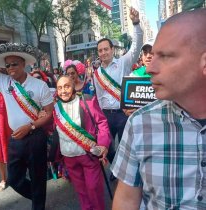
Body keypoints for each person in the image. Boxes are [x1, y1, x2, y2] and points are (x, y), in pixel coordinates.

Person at [111, 9, 206, 210]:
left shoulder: (122, 63)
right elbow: (126, 200)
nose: (149, 68)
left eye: (165, 56)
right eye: (152, 55)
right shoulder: (139, 124)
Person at [0, 24, 54, 210]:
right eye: (7, 65)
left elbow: (48, 113)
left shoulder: (39, 86)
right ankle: (38, 197)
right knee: (14, 179)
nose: (10, 68)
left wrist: (31, 126)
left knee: (38, 177)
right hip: (15, 138)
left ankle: (38, 204)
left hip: (35, 137)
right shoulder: (2, 81)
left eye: (14, 64)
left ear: (24, 64)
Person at [94, 7, 143, 164]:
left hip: (122, 114)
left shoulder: (124, 62)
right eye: (100, 51)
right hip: (105, 116)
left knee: (125, 147)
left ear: (112, 49)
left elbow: (136, 46)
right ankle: (115, 166)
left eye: (106, 49)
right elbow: (98, 97)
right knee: (107, 147)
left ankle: (122, 175)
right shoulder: (96, 74)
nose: (103, 53)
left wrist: (136, 23)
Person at [54, 75, 111, 210]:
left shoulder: (87, 101)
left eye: (66, 86)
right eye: (60, 88)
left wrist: (103, 144)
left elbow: (102, 123)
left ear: (73, 86)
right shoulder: (55, 108)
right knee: (81, 191)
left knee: (93, 188)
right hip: (69, 157)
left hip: (88, 155)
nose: (63, 91)